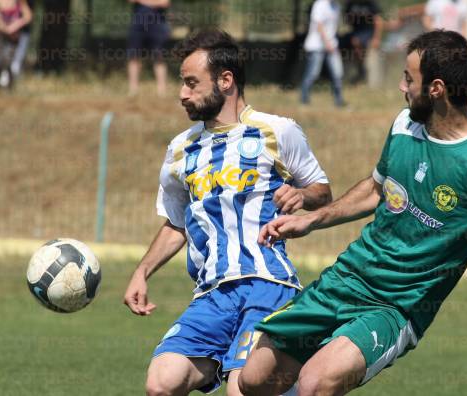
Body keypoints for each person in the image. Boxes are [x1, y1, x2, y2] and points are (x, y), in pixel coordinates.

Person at [238, 30, 467, 396]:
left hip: (396, 307)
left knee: (316, 382)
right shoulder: (404, 125)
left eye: (409, 78)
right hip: (346, 279)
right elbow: (376, 188)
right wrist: (312, 219)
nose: (401, 87)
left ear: (436, 88)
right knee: (255, 379)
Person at [123, 30, 332, 396]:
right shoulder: (180, 150)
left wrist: (300, 196)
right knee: (161, 383)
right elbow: (176, 223)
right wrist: (142, 272)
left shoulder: (277, 131)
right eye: (182, 83)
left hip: (267, 286)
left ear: (225, 80)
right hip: (212, 294)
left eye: (191, 83)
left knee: (243, 391)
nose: (182, 94)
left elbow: (321, 191)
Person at [301, 0, 345, 107]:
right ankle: (304, 99)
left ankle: (338, 100)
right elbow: (318, 25)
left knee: (338, 73)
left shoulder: (336, 6)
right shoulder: (320, 4)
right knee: (313, 73)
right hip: (316, 45)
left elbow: (334, 27)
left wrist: (333, 43)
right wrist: (327, 43)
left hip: (332, 45)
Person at [127, 0, 170, 97]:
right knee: (134, 57)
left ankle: (162, 91)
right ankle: (133, 91)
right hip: (138, 24)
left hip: (157, 25)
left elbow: (164, 2)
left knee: (159, 57)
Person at [344, 0, 383, 84]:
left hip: (369, 32)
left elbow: (378, 21)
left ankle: (364, 73)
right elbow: (347, 21)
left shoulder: (370, 3)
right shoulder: (350, 3)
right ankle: (359, 71)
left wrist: (376, 38)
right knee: (350, 43)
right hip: (355, 32)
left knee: (357, 43)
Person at [0, 0, 31, 89]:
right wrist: (6, 29)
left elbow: (28, 16)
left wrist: (14, 27)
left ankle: (8, 80)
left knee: (11, 59)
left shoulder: (20, 1)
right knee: (1, 58)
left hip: (16, 35)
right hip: (1, 34)